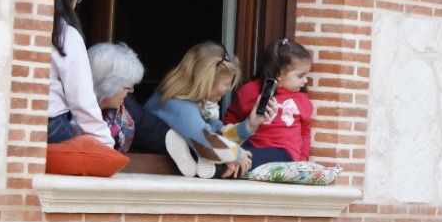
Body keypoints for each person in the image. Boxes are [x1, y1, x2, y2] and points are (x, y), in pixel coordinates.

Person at [147, 41, 276, 179]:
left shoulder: (197, 103)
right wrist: (238, 154)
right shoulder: (178, 105)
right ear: (205, 81)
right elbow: (206, 143)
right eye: (226, 84)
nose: (228, 89)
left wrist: (251, 123)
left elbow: (218, 135)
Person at [45, 0, 127, 177]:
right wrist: (105, 143)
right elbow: (81, 97)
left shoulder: (30, 28)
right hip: (53, 125)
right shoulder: (65, 36)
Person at [225, 38, 315, 172]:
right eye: (300, 76)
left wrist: (301, 162)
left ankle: (220, 167)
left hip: (284, 153)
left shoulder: (302, 100)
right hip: (251, 146)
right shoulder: (250, 91)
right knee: (235, 155)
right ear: (279, 73)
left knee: (244, 159)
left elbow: (305, 133)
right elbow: (230, 120)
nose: (305, 80)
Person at [86, 41, 169, 156]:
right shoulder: (68, 113)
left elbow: (158, 134)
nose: (131, 91)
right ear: (107, 85)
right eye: (126, 87)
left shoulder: (127, 109)